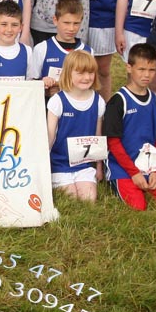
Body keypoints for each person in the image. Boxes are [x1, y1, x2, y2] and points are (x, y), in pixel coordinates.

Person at [103, 44, 156, 211]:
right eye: (141, 69)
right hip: (123, 168)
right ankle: (115, 182)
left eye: (151, 70)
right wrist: (133, 173)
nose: (146, 75)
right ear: (129, 67)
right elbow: (113, 143)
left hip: (149, 166)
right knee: (138, 206)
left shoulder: (155, 101)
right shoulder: (118, 101)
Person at [46, 50, 105, 202]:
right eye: (80, 73)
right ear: (68, 74)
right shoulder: (57, 101)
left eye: (91, 73)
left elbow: (97, 137)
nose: (87, 77)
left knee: (88, 199)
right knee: (71, 198)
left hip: (84, 164)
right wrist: (44, 167)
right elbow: (50, 137)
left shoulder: (98, 101)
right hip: (59, 162)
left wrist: (98, 167)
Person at [30, 0, 92, 97]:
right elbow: (31, 83)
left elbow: (91, 86)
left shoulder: (88, 52)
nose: (71, 28)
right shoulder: (42, 48)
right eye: (66, 23)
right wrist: (43, 88)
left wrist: (61, 87)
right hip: (47, 107)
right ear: (55, 20)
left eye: (76, 23)